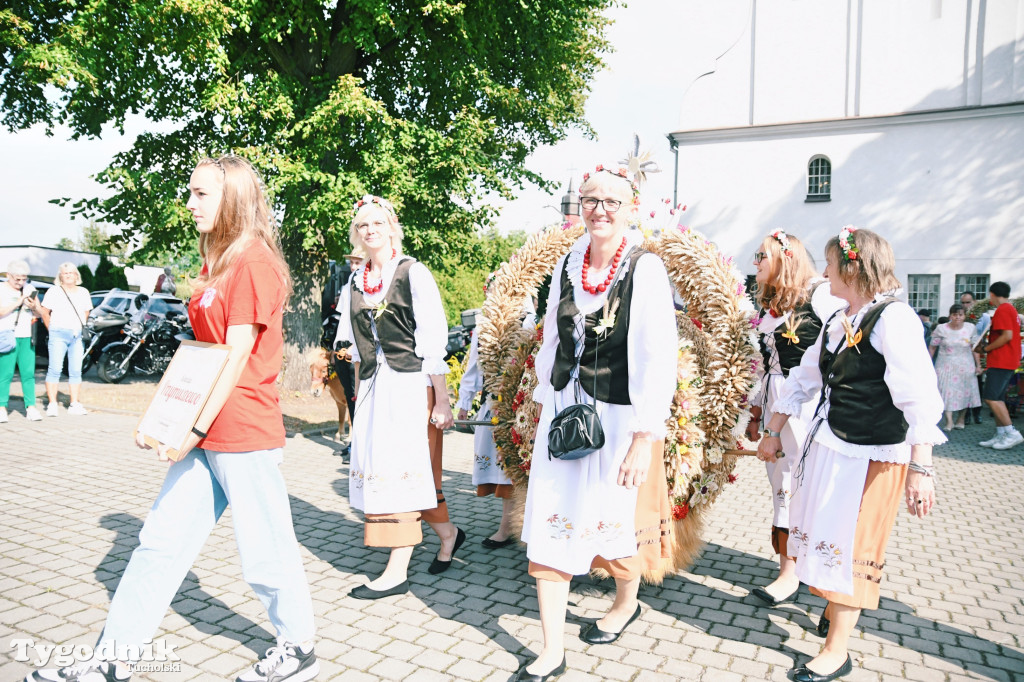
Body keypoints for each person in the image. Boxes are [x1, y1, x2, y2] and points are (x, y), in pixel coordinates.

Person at [28, 156, 319, 682]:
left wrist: (194, 429)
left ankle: (297, 649)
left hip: (244, 431)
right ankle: (112, 659)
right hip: (206, 432)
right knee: (158, 544)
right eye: (191, 192)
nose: (189, 203)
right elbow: (201, 352)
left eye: (201, 194)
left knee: (265, 551)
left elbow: (234, 358)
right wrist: (166, 415)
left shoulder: (254, 261)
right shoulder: (221, 261)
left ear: (232, 197)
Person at [757, 226, 943, 682]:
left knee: (853, 547)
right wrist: (772, 430)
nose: (823, 271)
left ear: (853, 268)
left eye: (830, 264)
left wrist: (921, 468)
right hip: (834, 446)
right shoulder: (845, 318)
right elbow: (804, 379)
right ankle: (834, 614)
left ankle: (836, 652)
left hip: (874, 455)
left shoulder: (895, 320)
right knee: (826, 538)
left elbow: (919, 398)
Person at [515, 165, 678, 681]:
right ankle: (551, 650)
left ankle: (625, 600)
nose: (600, 209)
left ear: (631, 208)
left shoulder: (644, 268)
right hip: (565, 411)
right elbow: (549, 339)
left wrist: (644, 439)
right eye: (590, 199)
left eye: (611, 200)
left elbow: (659, 356)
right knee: (552, 519)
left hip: (618, 415)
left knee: (614, 523)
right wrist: (544, 398)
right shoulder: (568, 262)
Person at [335, 194, 463, 600]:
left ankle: (396, 570)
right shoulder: (355, 282)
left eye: (377, 223)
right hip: (375, 389)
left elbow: (432, 341)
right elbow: (355, 347)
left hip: (411, 386)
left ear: (392, 227)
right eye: (363, 225)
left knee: (402, 469)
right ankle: (448, 534)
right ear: (357, 234)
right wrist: (358, 401)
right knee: (396, 469)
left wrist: (441, 400)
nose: (370, 230)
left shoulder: (413, 272)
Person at [745, 230, 843, 607]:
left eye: (761, 256)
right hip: (775, 401)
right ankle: (789, 571)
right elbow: (764, 367)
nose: (755, 263)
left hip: (805, 404)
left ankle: (811, 574)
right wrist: (756, 412)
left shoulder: (818, 295)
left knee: (808, 486)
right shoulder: (769, 306)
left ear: (785, 258)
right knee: (782, 486)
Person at [456, 297, 530, 549]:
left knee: (515, 466)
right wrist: (464, 402)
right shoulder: (487, 326)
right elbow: (474, 366)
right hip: (494, 405)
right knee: (503, 468)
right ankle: (508, 524)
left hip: (523, 405)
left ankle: (511, 525)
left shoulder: (530, 321)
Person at [38, 261, 92, 416]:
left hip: (76, 335)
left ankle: (74, 404)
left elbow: (86, 312)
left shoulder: (83, 292)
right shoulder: (54, 291)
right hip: (58, 334)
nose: (69, 275)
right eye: (65, 273)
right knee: (55, 369)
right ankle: (52, 404)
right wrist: (52, 329)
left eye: (72, 273)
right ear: (60, 276)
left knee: (76, 370)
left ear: (77, 276)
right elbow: (44, 312)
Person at [977, 281, 1023, 450]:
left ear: (992, 294)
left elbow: (1007, 336)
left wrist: (986, 348)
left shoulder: (1003, 309)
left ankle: (1011, 433)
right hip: (1006, 360)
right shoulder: (1011, 309)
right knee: (998, 398)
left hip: (1002, 360)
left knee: (992, 398)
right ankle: (1001, 433)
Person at [0, 261, 43, 422]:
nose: (20, 283)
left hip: (26, 335)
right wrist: (18, 302)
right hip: (6, 336)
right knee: (5, 373)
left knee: (28, 374)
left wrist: (33, 306)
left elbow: (39, 313)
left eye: (23, 279)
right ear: (8, 275)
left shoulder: (29, 289)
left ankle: (31, 407)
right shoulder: (1, 289)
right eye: (16, 279)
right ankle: (2, 407)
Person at [929, 303, 982, 430]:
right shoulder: (941, 328)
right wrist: (928, 363)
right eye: (954, 314)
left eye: (960, 315)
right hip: (945, 364)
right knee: (945, 392)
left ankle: (961, 418)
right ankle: (949, 421)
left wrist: (978, 365)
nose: (957, 317)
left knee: (964, 392)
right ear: (950, 315)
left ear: (964, 316)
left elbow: (974, 348)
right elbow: (932, 347)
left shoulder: (970, 328)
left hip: (965, 365)